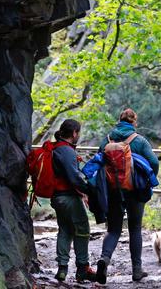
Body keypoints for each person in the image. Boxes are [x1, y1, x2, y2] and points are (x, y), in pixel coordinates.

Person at [95, 109, 160, 284]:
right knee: (135, 228)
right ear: (134, 122)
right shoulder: (139, 140)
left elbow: (98, 159)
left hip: (113, 189)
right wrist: (147, 179)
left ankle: (104, 259)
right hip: (136, 190)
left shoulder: (108, 139)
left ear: (119, 120)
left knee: (114, 229)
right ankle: (137, 271)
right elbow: (154, 162)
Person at [50, 119, 97, 283]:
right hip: (68, 197)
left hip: (56, 197)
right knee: (82, 229)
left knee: (65, 230)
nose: (79, 135)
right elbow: (74, 178)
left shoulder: (56, 148)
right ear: (74, 133)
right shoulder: (67, 151)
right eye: (79, 132)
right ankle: (82, 268)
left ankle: (62, 269)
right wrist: (90, 190)